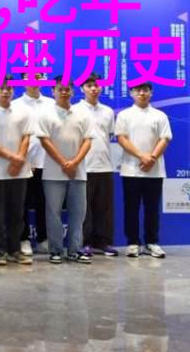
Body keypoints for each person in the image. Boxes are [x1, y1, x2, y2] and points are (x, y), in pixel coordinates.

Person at [36, 76, 97, 264]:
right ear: (52, 91)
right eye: (60, 89)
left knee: (78, 213)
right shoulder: (46, 114)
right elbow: (45, 141)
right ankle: (55, 250)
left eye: (67, 89)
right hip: (53, 173)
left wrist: (75, 163)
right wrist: (64, 163)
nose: (64, 92)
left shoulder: (82, 114)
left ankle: (75, 250)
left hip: (78, 172)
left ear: (72, 91)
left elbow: (88, 141)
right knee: (53, 213)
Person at [0, 77, 34, 266]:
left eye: (9, 88)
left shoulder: (23, 112)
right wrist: (13, 158)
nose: (5, 91)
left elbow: (26, 138)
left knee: (17, 213)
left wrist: (19, 160)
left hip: (20, 171)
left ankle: (15, 250)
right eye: (2, 88)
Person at [115, 82, 172, 259]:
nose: (142, 93)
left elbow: (165, 138)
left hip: (154, 170)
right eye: (138, 90)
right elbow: (121, 138)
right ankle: (132, 242)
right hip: (131, 170)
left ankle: (151, 242)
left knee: (152, 208)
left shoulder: (159, 115)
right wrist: (141, 156)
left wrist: (152, 158)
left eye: (145, 90)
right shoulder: (124, 115)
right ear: (131, 93)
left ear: (151, 93)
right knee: (131, 208)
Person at [75, 74, 118, 257]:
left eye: (97, 85)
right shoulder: (75, 110)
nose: (94, 89)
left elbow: (109, 135)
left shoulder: (108, 111)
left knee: (104, 208)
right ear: (82, 88)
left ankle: (103, 242)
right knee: (84, 209)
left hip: (105, 165)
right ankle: (85, 243)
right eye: (89, 85)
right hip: (83, 166)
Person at [14, 72, 51, 255]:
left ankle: (44, 239)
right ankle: (24, 239)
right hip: (24, 163)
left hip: (48, 162)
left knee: (46, 203)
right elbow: (13, 136)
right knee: (22, 203)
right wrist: (23, 159)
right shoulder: (15, 105)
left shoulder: (51, 104)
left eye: (38, 76)